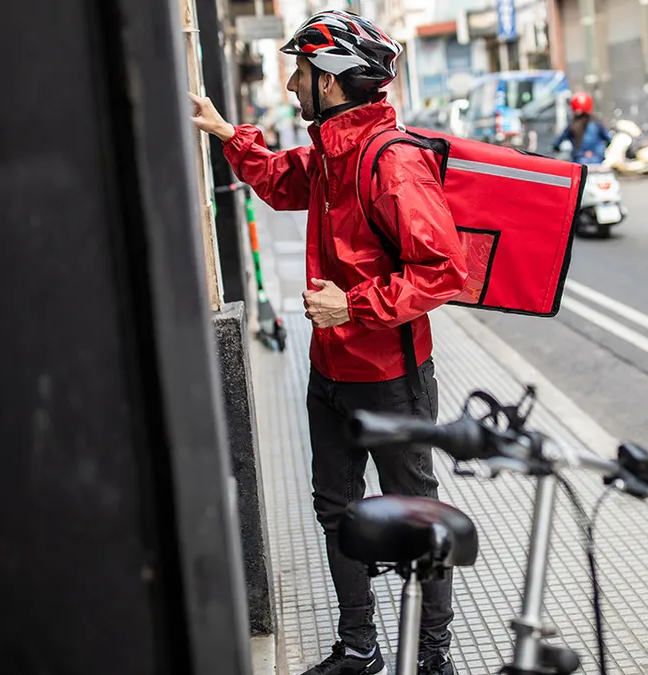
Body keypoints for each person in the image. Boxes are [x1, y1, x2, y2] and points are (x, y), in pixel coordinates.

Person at [190, 10, 467, 675]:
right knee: (337, 510)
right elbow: (279, 181)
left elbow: (444, 269)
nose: (292, 84)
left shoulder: (393, 164)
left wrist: (354, 303)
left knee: (417, 517)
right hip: (330, 372)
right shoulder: (329, 155)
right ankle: (361, 648)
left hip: (392, 379)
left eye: (301, 72)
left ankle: (434, 658)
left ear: (332, 80)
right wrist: (228, 133)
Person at [553, 92, 611, 164]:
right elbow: (609, 140)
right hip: (598, 161)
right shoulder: (598, 123)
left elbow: (558, 142)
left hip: (579, 162)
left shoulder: (572, 125)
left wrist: (555, 147)